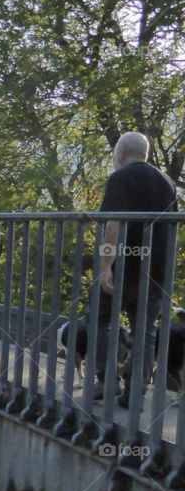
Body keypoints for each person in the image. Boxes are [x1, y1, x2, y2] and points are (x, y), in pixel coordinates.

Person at [94, 131, 177, 403]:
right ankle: (136, 392)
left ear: (120, 155)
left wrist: (107, 265)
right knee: (145, 329)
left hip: (125, 268)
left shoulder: (120, 178)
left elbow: (115, 223)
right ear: (146, 155)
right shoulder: (166, 182)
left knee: (101, 319)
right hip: (157, 270)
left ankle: (108, 381)